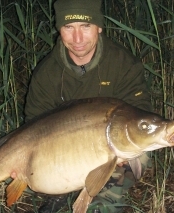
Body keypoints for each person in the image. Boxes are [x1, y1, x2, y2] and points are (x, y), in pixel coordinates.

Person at [24, 0, 152, 212]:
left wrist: (123, 152)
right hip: (63, 149)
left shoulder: (123, 64)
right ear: (59, 30)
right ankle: (62, 191)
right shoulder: (46, 73)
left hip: (112, 145)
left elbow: (139, 110)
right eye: (68, 27)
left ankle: (101, 203)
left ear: (99, 27)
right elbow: (33, 124)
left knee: (141, 151)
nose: (77, 39)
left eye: (85, 27)